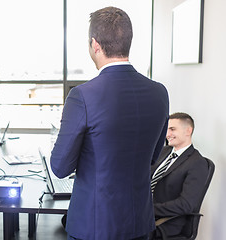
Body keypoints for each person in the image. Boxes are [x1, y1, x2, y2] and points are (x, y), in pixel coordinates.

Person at [50, 7, 169, 240]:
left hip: (95, 226)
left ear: (95, 44)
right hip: (140, 223)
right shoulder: (159, 92)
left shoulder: (82, 96)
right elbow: (154, 156)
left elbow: (60, 167)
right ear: (128, 42)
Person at [151, 113, 210, 238]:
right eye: (166, 129)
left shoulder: (197, 163)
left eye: (172, 129)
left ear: (188, 130)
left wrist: (150, 210)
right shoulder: (164, 151)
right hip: (146, 212)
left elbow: (185, 204)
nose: (167, 134)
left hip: (166, 221)